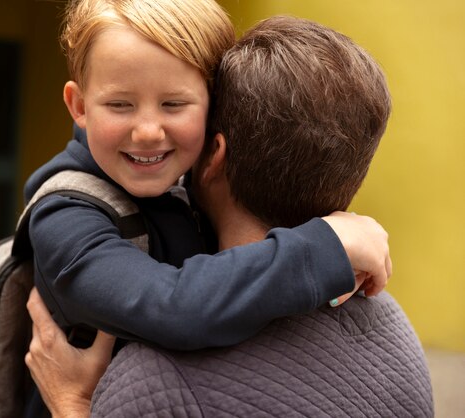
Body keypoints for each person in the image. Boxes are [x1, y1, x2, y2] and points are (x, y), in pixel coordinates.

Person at [25, 15, 433, 417]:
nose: (148, 130)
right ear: (79, 105)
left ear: (209, 108)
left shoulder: (169, 171)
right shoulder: (64, 217)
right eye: (119, 104)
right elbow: (173, 306)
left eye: (174, 103)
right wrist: (327, 245)